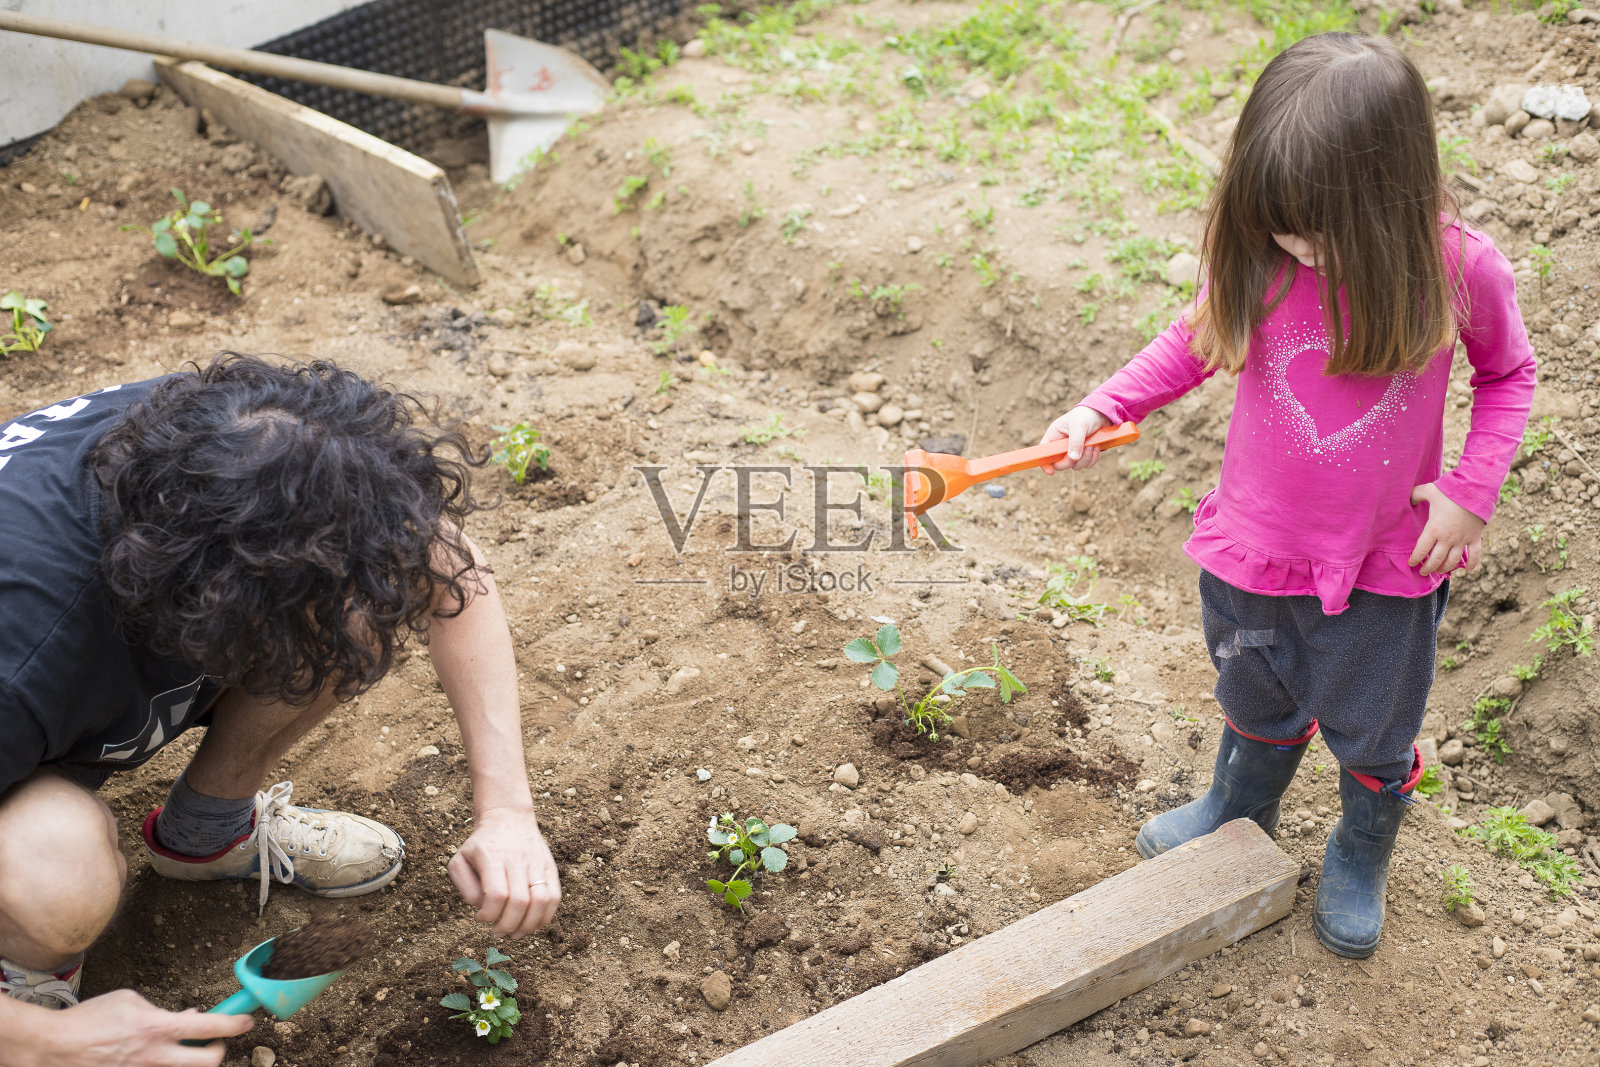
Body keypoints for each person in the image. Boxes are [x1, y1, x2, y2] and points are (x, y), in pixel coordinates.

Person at [1040, 33, 1534, 959]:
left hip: (1386, 563)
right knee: (1253, 684)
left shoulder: (1458, 269)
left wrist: (1473, 488)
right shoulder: (1268, 258)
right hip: (1254, 550)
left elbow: (1509, 375)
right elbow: (1192, 340)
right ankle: (1241, 803)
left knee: (1373, 722)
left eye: (1315, 230)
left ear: (1388, 198)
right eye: (1279, 225)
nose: (1296, 247)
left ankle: (1361, 841)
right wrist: (1101, 405)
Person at [0, 354, 561, 1063]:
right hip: (28, 703)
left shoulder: (233, 443)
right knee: (58, 870)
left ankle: (207, 832)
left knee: (356, 601)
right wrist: (44, 1041)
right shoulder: (23, 648)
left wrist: (507, 811)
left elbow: (445, 567)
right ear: (218, 601)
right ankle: (25, 975)